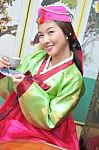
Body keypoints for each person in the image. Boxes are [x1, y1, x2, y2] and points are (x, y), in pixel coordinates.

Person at [0, 5, 85, 150]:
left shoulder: (74, 78)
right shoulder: (34, 59)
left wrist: (27, 86)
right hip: (16, 119)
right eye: (41, 35)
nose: (45, 40)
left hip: (48, 134)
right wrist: (4, 72)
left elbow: (50, 120)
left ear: (67, 33)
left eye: (50, 32)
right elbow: (11, 94)